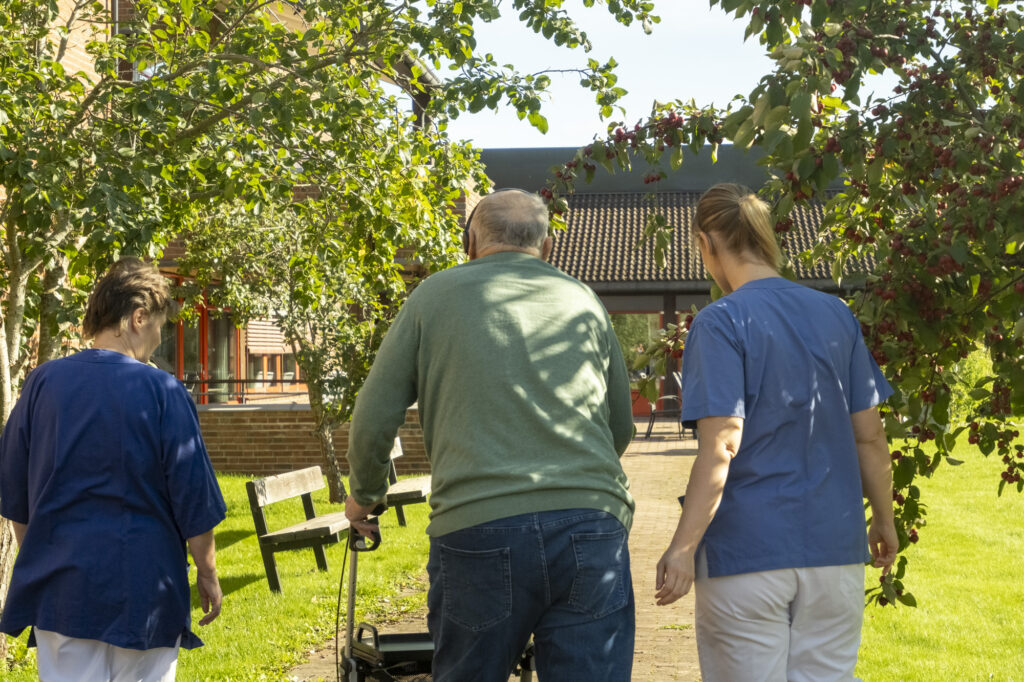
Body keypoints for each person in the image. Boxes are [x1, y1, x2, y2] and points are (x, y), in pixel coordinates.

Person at [345, 189, 636, 681]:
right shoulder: (582, 298)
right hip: (591, 526)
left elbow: (373, 414)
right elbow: (620, 426)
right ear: (546, 248)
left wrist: (365, 496)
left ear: (471, 240)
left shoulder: (433, 296)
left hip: (478, 528)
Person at [654, 184, 898, 682]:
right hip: (835, 551)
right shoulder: (836, 315)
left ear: (706, 243)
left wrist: (682, 547)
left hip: (746, 555)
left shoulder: (719, 322)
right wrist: (884, 520)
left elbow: (723, 443)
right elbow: (870, 437)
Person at [0, 258, 227, 682]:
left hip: (62, 590)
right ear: (138, 317)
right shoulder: (163, 391)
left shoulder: (41, 383)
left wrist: (42, 560)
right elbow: (194, 498)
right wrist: (208, 574)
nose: (158, 342)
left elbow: (15, 496)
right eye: (159, 327)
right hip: (145, 588)